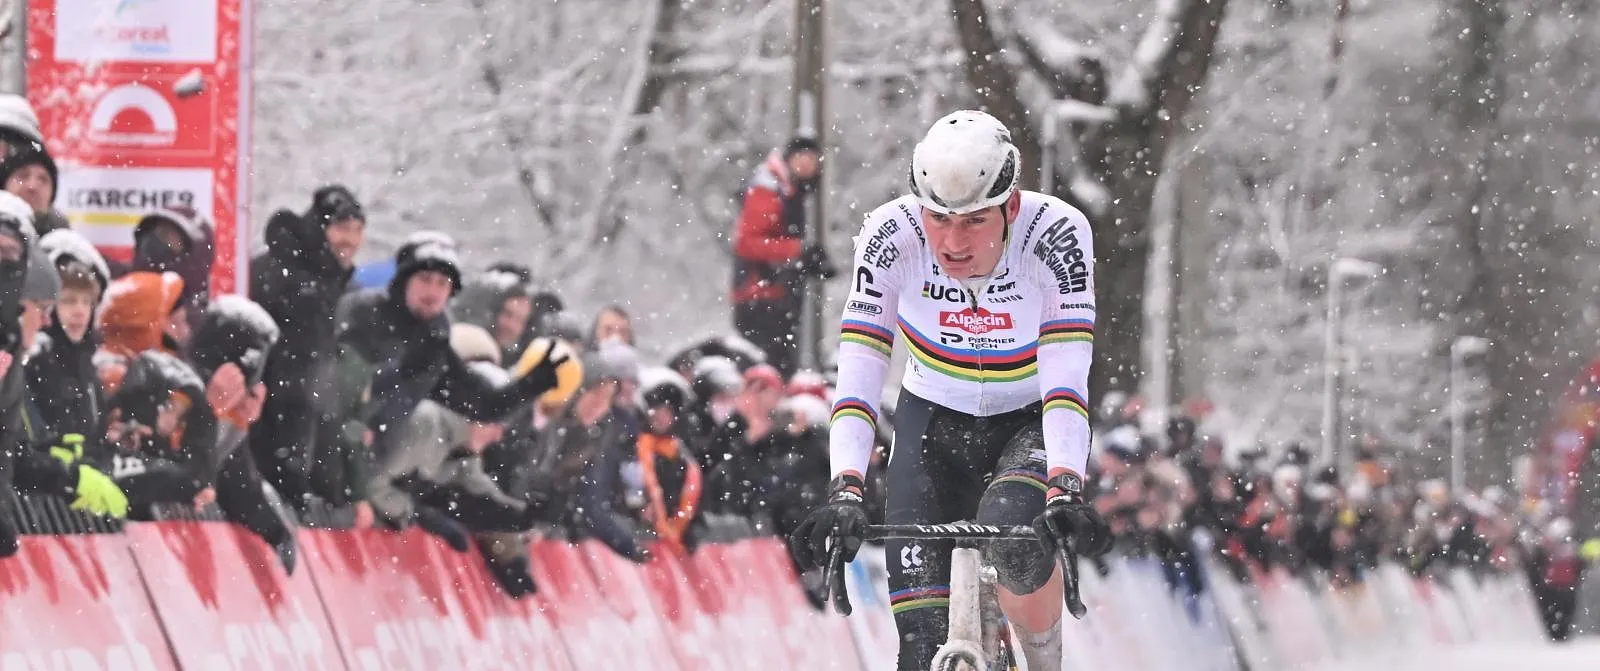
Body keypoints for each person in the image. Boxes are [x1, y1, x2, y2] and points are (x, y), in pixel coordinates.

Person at [788, 110, 1110, 671]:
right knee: (918, 649)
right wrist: (845, 487)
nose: (953, 240)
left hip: (1028, 419)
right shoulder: (892, 236)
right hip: (931, 423)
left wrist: (1064, 485)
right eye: (938, 218)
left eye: (974, 220)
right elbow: (859, 378)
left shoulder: (1056, 234)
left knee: (1013, 536)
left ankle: (1043, 662)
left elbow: (1066, 377)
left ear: (1011, 207)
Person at [249, 185, 363, 510]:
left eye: (357, 230)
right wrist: (296, 475)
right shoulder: (301, 284)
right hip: (263, 434)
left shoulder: (316, 276)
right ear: (319, 228)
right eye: (342, 228)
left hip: (267, 434)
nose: (350, 241)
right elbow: (296, 384)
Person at [731, 137, 835, 377]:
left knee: (778, 370)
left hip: (774, 297)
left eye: (812, 161)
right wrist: (798, 251)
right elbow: (748, 243)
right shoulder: (768, 190)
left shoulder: (788, 191)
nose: (807, 167)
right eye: (801, 159)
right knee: (770, 373)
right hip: (761, 299)